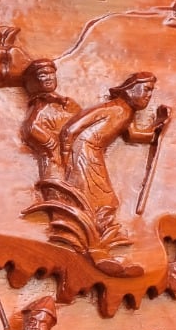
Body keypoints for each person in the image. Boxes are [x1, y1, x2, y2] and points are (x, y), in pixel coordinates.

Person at [58, 72, 168, 247]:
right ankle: (86, 233)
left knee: (102, 199)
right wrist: (65, 158)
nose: (149, 95)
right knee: (100, 197)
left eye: (151, 91)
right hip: (84, 151)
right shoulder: (115, 107)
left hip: (93, 152)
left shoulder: (127, 111)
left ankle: (96, 232)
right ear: (131, 89)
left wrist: (159, 124)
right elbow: (71, 129)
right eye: (146, 89)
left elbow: (134, 135)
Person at [19, 59, 80, 188]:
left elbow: (82, 119)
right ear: (33, 82)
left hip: (77, 159)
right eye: (42, 75)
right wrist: (52, 146)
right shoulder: (39, 107)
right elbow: (31, 128)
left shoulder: (65, 103)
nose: (48, 78)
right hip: (56, 165)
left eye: (51, 74)